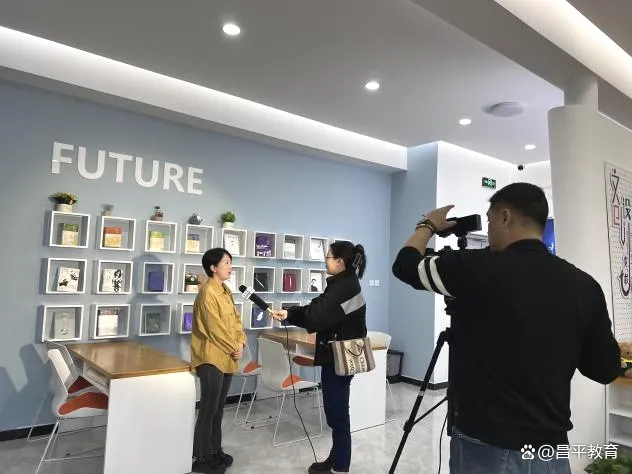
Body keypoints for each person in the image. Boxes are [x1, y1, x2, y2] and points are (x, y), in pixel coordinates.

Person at [391, 182, 621, 474]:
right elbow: (604, 370)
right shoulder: (584, 286)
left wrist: (427, 225)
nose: (488, 231)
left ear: (504, 217)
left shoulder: (473, 268)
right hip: (550, 450)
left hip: (484, 444)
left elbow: (405, 265)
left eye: (489, 221)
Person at [271, 241, 367, 474]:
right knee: (336, 412)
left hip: (340, 357)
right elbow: (321, 310)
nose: (325, 260)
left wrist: (291, 314)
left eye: (328, 257)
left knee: (337, 414)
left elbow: (316, 315)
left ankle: (340, 467)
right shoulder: (344, 282)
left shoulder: (344, 286)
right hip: (338, 355)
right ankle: (336, 460)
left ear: (340, 261)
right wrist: (291, 313)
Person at [191, 248, 246, 474]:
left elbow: (235, 321)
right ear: (213, 268)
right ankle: (202, 456)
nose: (230, 267)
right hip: (211, 358)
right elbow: (214, 329)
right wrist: (234, 346)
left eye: (230, 262)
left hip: (228, 356)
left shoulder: (225, 291)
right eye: (226, 263)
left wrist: (241, 342)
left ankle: (215, 450)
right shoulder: (207, 293)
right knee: (209, 408)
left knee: (219, 408)